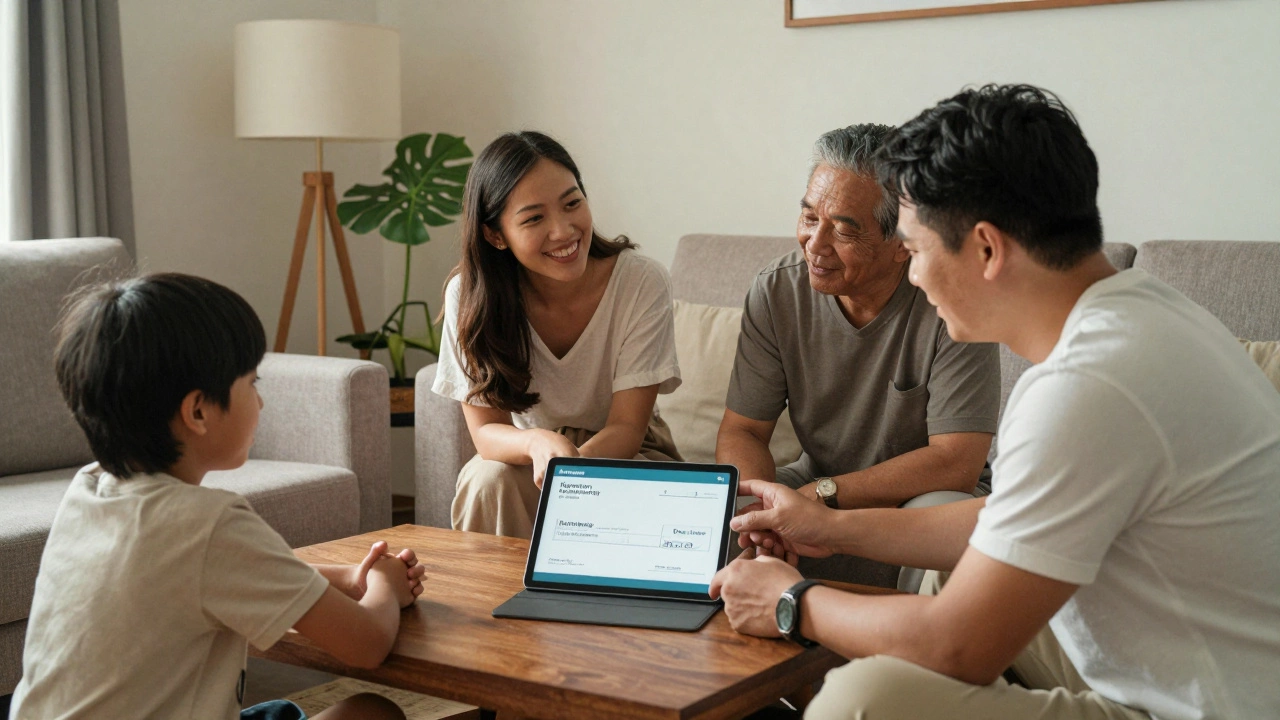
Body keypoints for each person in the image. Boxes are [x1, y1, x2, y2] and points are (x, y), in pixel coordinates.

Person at [710, 84, 1280, 719]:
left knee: (862, 700)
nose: (916, 275)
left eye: (917, 248)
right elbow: (998, 521)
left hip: (1216, 706)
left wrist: (793, 601)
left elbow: (957, 650)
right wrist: (830, 525)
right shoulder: (1150, 312)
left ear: (986, 248)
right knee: (955, 581)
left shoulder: (1085, 387)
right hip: (1218, 661)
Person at [11, 273, 423, 720]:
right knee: (372, 714)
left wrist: (348, 577)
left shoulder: (89, 489)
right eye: (252, 383)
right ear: (198, 411)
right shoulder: (208, 524)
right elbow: (366, 644)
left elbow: (218, 570)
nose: (261, 403)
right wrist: (386, 585)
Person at [715, 123, 1000, 585]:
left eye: (844, 230)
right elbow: (743, 430)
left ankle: (909, 651)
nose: (815, 244)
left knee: (937, 513)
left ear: (901, 244)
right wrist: (759, 505)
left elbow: (956, 462)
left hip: (926, 495)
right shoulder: (776, 290)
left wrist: (826, 496)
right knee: (725, 519)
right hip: (814, 482)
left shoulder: (952, 302)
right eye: (809, 218)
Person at [434, 131, 682, 538]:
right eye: (534, 218)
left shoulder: (640, 281)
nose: (564, 230)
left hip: (631, 454)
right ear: (495, 235)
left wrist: (570, 477)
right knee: (487, 480)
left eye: (572, 203)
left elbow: (627, 429)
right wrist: (536, 445)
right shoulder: (470, 296)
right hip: (532, 457)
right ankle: (490, 601)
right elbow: (485, 432)